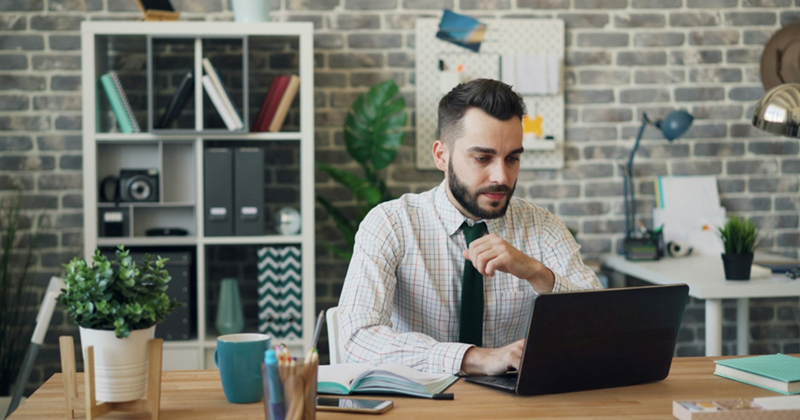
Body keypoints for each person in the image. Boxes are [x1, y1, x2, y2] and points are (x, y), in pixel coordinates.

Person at [337, 79, 602, 376]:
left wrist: (537, 273)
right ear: (441, 155)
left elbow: (601, 324)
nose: (501, 176)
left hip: (516, 408)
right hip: (419, 405)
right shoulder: (391, 223)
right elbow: (357, 340)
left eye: (512, 158)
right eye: (482, 158)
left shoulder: (542, 226)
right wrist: (474, 358)